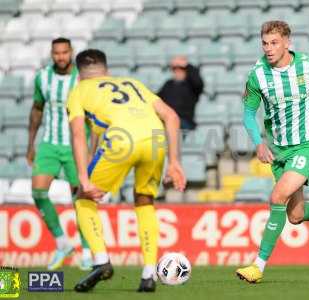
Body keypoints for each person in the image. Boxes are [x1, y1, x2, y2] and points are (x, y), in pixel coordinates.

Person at [66, 49, 186, 293]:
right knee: (145, 200)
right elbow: (171, 116)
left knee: (84, 199)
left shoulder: (78, 91)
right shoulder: (133, 83)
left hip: (120, 139)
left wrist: (82, 179)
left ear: (79, 76)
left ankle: (101, 261)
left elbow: (79, 133)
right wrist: (174, 162)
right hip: (155, 139)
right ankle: (149, 273)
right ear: (106, 71)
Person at [236, 21, 309, 283]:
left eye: (274, 43)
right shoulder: (257, 75)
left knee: (277, 196)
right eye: (264, 43)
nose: (268, 48)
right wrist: (258, 143)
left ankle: (258, 266)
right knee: (295, 215)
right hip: (278, 150)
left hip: (308, 143)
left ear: (287, 42)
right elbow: (249, 113)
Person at [26, 37, 93, 271]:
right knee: (38, 191)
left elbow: (93, 115)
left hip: (76, 146)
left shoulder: (82, 79)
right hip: (49, 143)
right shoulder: (42, 77)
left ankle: (86, 251)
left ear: (71, 52)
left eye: (65, 53)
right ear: (52, 54)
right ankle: (62, 242)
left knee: (81, 198)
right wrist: (30, 144)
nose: (61, 57)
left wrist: (92, 148)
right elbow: (36, 109)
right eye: (57, 53)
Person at [158, 55, 204, 131]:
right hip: (167, 118)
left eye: (181, 69)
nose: (178, 71)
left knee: (172, 125)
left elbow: (198, 83)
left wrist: (187, 65)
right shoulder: (168, 84)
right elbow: (157, 98)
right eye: (175, 68)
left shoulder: (191, 85)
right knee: (155, 126)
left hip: (184, 121)